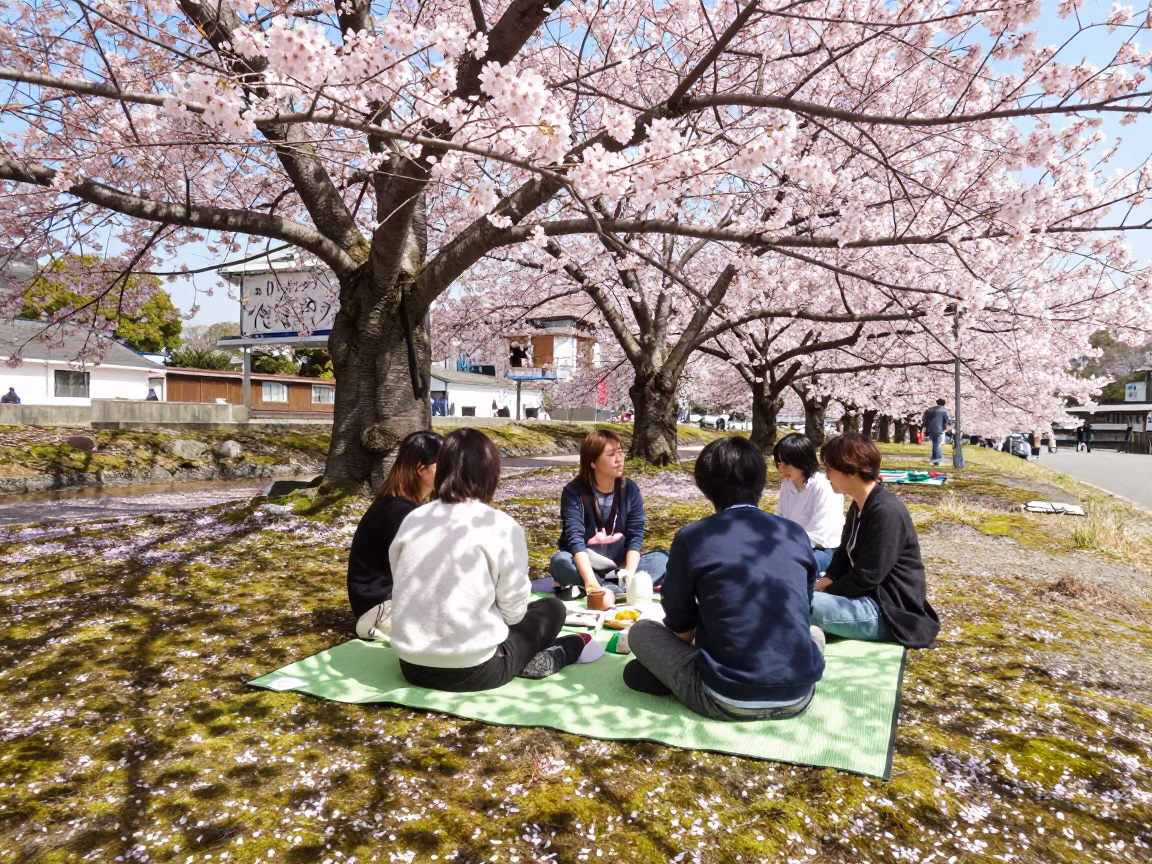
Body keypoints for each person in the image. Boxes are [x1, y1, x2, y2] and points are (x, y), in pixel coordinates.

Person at [622, 437, 825, 720]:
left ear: (704, 485)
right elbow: (804, 608)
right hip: (799, 694)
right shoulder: (794, 533)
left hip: (724, 697)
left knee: (640, 631)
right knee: (814, 635)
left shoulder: (693, 537)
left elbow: (682, 628)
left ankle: (669, 678)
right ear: (760, 481)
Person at [390, 429, 588, 691]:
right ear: (490, 472)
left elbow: (400, 578)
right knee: (553, 609)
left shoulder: (413, 519)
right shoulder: (500, 526)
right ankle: (559, 652)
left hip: (411, 665)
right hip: (477, 669)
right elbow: (514, 613)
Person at [810, 434, 940, 647]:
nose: (826, 476)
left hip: (887, 612)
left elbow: (868, 575)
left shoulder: (886, 512)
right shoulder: (860, 504)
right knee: (797, 594)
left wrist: (827, 590)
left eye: (830, 469)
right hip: (862, 599)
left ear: (850, 471)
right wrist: (828, 577)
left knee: (800, 603)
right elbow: (844, 552)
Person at [549, 429, 668, 600]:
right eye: (611, 454)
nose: (619, 459)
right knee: (560, 562)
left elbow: (635, 537)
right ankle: (609, 589)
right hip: (585, 564)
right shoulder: (573, 492)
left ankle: (613, 588)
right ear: (593, 462)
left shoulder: (630, 490)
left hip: (620, 567)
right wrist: (591, 582)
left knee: (663, 559)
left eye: (620, 452)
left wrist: (628, 575)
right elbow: (575, 540)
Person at [347, 431, 442, 641]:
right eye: (442, 465)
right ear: (421, 469)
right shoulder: (398, 511)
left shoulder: (402, 505)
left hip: (389, 601)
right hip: (379, 610)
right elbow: (421, 570)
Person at [772, 433, 845, 572]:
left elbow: (819, 535)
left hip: (822, 551)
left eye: (787, 464)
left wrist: (784, 548)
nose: (781, 469)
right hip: (790, 546)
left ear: (802, 461)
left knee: (785, 567)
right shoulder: (787, 483)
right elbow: (780, 519)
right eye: (779, 463)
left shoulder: (824, 486)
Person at [921, 399, 951, 465]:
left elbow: (924, 419)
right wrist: (946, 427)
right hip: (939, 429)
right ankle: (937, 459)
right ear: (944, 404)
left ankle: (933, 458)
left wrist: (926, 426)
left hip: (930, 429)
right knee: (937, 444)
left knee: (935, 443)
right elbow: (947, 420)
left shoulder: (929, 410)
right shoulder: (944, 411)